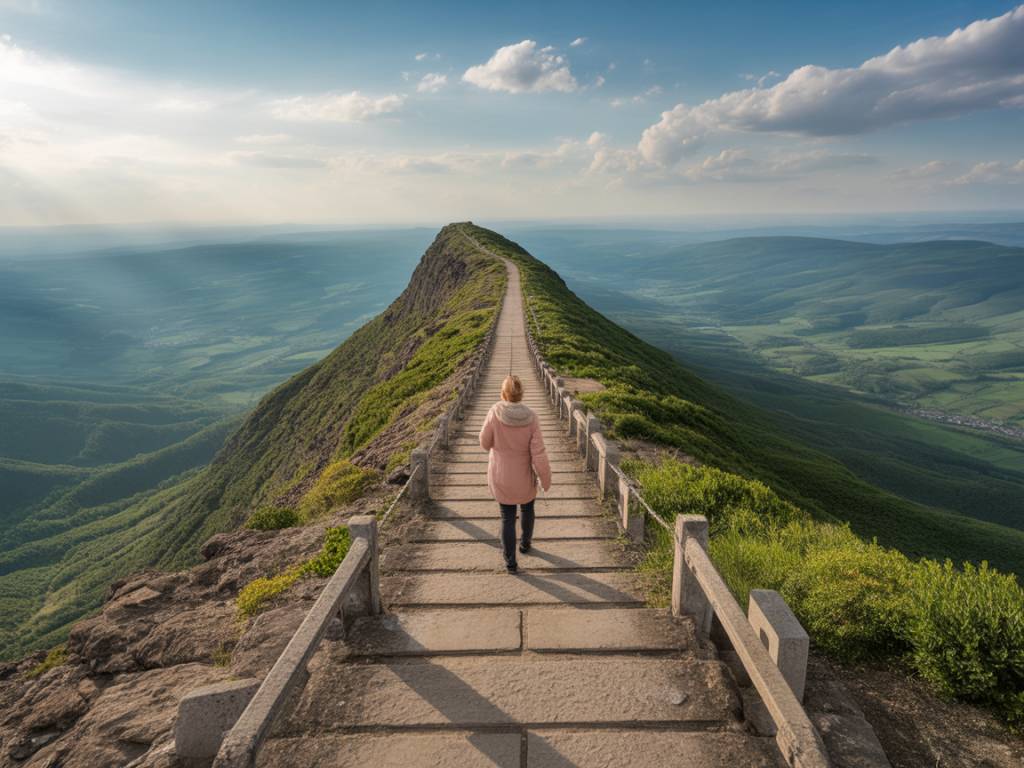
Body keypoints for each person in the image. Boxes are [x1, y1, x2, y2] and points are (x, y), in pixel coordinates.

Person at [478, 374, 552, 573]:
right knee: (527, 509)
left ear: (503, 393)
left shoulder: (494, 412)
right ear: (521, 394)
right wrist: (545, 478)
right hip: (525, 477)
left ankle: (510, 562)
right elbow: (539, 453)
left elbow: (484, 443)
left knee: (507, 518)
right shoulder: (532, 417)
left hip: (501, 475)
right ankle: (526, 544)